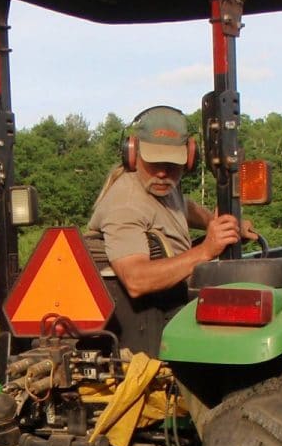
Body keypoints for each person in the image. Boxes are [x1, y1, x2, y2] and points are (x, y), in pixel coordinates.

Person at [84, 105, 252, 353]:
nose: (163, 173)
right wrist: (206, 249)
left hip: (173, 305)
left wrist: (216, 223)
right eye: (154, 162)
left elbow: (184, 207)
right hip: (149, 324)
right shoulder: (126, 205)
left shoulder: (163, 186)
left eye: (172, 164)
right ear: (133, 154)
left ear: (188, 160)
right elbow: (136, 280)